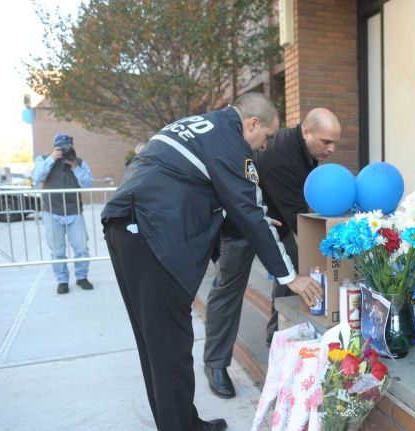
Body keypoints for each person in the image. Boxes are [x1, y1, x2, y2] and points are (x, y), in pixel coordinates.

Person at [100, 92, 323, 431]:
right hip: (150, 234)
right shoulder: (231, 144)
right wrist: (290, 277)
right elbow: (251, 211)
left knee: (157, 344)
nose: (265, 146)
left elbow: (200, 190)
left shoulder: (200, 126)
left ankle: (185, 423)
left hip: (129, 226)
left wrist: (249, 219)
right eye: (267, 136)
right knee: (170, 347)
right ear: (252, 124)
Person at [203, 108, 340, 399]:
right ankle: (215, 364)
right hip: (241, 226)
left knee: (293, 270)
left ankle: (278, 335)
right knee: (228, 289)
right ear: (306, 132)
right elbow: (301, 219)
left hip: (276, 221)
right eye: (327, 142)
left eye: (334, 143)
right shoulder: (282, 160)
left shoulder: (306, 152)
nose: (332, 149)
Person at [32, 133, 94, 294]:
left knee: (81, 248)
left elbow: (88, 184)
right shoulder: (43, 159)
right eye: (61, 147)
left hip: (75, 211)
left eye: (68, 147)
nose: (64, 150)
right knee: (57, 251)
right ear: (55, 147)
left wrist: (75, 167)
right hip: (52, 211)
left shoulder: (79, 162)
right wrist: (51, 159)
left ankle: (82, 277)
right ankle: (62, 281)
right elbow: (37, 177)